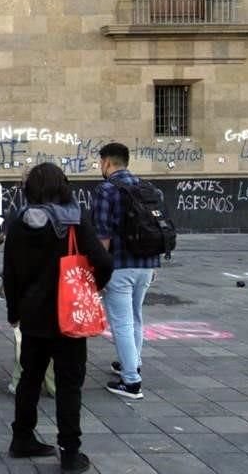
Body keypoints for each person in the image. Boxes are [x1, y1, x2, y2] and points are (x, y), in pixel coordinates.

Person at [3, 163, 112, 473]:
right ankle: (69, 452)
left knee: (29, 378)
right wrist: (91, 287)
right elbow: (104, 261)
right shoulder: (75, 220)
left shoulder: (18, 222)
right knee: (69, 385)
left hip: (32, 315)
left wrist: (14, 312)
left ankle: (22, 438)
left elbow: (10, 273)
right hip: (69, 316)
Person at [93, 142, 160, 400]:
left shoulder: (106, 190)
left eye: (101, 163)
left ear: (107, 162)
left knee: (121, 322)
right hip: (146, 263)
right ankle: (132, 362)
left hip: (119, 266)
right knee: (135, 316)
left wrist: (99, 270)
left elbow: (103, 235)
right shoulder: (147, 187)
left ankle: (131, 381)